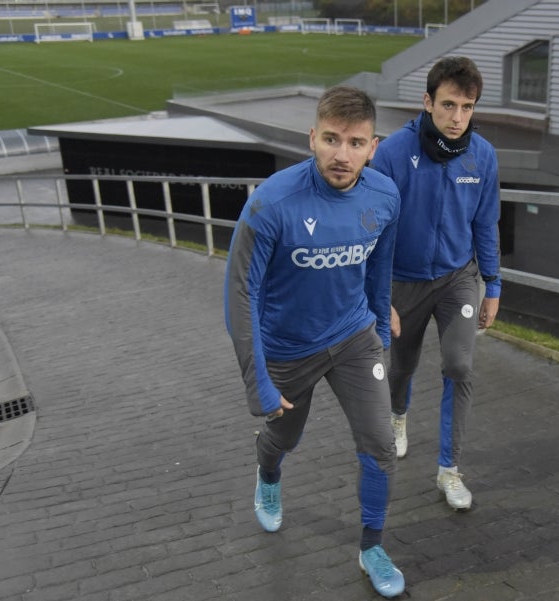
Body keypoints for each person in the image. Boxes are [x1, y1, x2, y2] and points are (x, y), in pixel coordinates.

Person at [223, 86, 405, 598]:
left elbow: (380, 266)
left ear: (372, 147)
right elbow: (239, 293)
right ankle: (268, 475)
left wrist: (379, 318)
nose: (341, 154)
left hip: (353, 338)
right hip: (288, 348)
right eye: (331, 139)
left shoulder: (385, 196)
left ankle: (371, 547)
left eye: (355, 143)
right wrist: (257, 380)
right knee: (285, 439)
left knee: (381, 446)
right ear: (312, 138)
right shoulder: (271, 202)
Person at [371, 56, 501, 511]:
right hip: (402, 281)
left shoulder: (483, 155)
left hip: (457, 278)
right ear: (427, 102)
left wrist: (493, 285)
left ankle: (449, 469)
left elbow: (486, 223)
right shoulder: (392, 153)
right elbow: (375, 231)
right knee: (402, 366)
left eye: (467, 107)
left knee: (459, 366)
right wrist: (378, 294)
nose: (457, 117)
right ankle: (398, 416)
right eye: (448, 105)